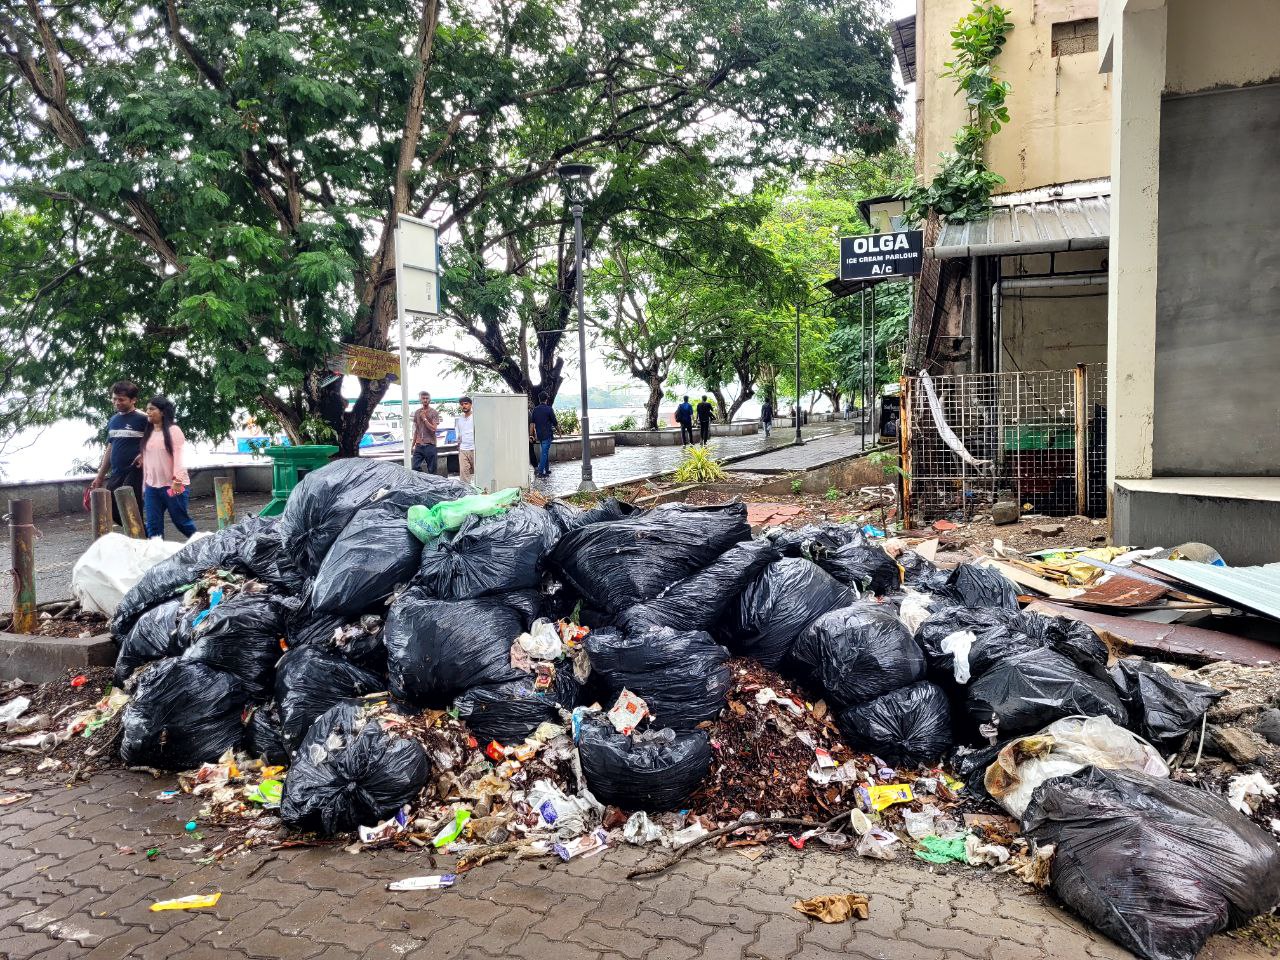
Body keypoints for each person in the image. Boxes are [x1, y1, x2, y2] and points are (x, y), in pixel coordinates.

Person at [137, 395, 196, 539]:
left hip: (173, 486)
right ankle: (158, 556)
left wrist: (177, 481)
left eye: (152, 409)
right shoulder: (149, 432)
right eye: (147, 409)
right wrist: (144, 487)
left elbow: (179, 457)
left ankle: (205, 545)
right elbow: (148, 463)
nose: (148, 412)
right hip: (152, 488)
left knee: (180, 521)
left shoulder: (173, 430)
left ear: (163, 412)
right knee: (153, 525)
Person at [90, 380, 147, 525]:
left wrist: (144, 455)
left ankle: (142, 541)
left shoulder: (143, 418)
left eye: (121, 400)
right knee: (111, 509)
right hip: (116, 472)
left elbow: (158, 442)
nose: (116, 403)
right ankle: (144, 536)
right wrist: (100, 476)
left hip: (136, 471)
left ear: (133, 400)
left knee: (131, 509)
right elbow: (110, 448)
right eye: (114, 399)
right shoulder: (114, 420)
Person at [529, 392, 558, 479]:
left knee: (545, 452)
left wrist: (531, 435)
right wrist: (560, 432)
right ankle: (541, 472)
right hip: (547, 434)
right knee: (544, 453)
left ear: (539, 399)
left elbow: (532, 424)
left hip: (539, 435)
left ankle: (547, 469)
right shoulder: (549, 409)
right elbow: (555, 422)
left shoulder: (535, 410)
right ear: (546, 399)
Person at [411, 390, 440, 474]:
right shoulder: (417, 412)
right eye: (423, 398)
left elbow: (434, 429)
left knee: (432, 470)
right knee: (415, 467)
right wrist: (412, 445)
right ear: (420, 400)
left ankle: (433, 485)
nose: (425, 400)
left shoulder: (434, 412)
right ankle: (424, 480)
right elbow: (416, 429)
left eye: (427, 398)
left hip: (430, 445)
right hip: (419, 445)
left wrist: (424, 418)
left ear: (429, 400)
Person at [455, 396, 475, 484]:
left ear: (470, 405)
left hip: (475, 448)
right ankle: (466, 492)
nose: (464, 406)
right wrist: (458, 447)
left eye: (466, 404)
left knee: (478, 472)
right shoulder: (460, 419)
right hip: (463, 449)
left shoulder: (475, 417)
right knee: (464, 473)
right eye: (462, 404)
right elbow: (459, 434)